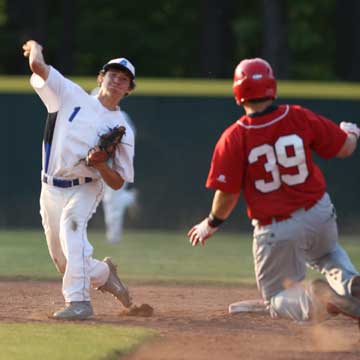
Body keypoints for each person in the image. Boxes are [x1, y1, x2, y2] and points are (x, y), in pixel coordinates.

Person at [187, 58, 360, 323]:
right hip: (319, 212)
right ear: (272, 88)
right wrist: (351, 133)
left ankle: (320, 299)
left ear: (237, 93)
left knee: (277, 297)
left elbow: (228, 193)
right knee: (327, 253)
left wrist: (211, 223)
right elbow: (345, 148)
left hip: (278, 228)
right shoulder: (299, 116)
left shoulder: (234, 136)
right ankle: (350, 285)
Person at [22, 39, 136, 320]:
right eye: (112, 75)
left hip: (84, 188)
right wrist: (35, 46)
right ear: (101, 78)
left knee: (73, 234)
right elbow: (37, 65)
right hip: (49, 187)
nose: (117, 82)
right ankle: (105, 274)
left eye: (124, 80)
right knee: (64, 262)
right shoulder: (70, 94)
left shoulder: (122, 130)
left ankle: (79, 303)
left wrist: (100, 166)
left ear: (129, 90)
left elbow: (118, 182)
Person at [91, 85, 139, 244]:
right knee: (109, 200)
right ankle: (130, 198)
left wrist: (114, 148)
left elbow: (131, 138)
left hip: (115, 164)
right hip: (93, 165)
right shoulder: (86, 117)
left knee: (111, 201)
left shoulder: (121, 116)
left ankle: (114, 237)